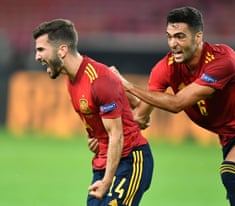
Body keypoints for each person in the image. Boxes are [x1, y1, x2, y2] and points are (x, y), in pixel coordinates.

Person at [113, 6, 235, 206]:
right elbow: (140, 116)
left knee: (231, 172)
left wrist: (126, 85)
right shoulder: (165, 68)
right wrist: (106, 131)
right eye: (169, 37)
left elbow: (177, 103)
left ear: (198, 37)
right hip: (231, 136)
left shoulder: (222, 61)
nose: (173, 44)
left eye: (180, 37)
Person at [32, 19, 154, 206]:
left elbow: (117, 135)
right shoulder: (72, 79)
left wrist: (106, 181)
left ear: (62, 50)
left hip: (130, 160)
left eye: (41, 50)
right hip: (103, 162)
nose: (37, 57)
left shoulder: (99, 80)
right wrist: (96, 137)